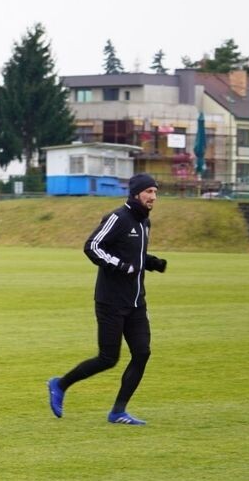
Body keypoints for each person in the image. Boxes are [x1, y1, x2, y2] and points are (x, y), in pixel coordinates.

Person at [47, 174, 168, 426]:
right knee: (108, 358)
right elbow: (92, 246)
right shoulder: (118, 218)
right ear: (136, 193)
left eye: (155, 192)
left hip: (136, 302)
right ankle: (60, 384)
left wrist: (151, 262)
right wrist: (121, 266)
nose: (153, 197)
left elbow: (134, 254)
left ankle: (118, 412)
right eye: (148, 191)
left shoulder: (144, 222)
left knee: (142, 353)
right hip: (111, 302)